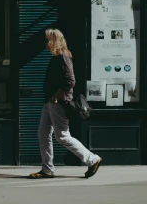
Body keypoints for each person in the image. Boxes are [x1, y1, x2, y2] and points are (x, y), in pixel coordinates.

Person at [28, 28, 102, 180]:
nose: (45, 43)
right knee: (43, 134)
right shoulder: (57, 57)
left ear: (54, 40)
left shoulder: (63, 57)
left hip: (59, 102)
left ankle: (92, 159)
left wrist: (56, 97)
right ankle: (47, 169)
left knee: (62, 136)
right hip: (49, 102)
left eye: (47, 40)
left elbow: (70, 81)